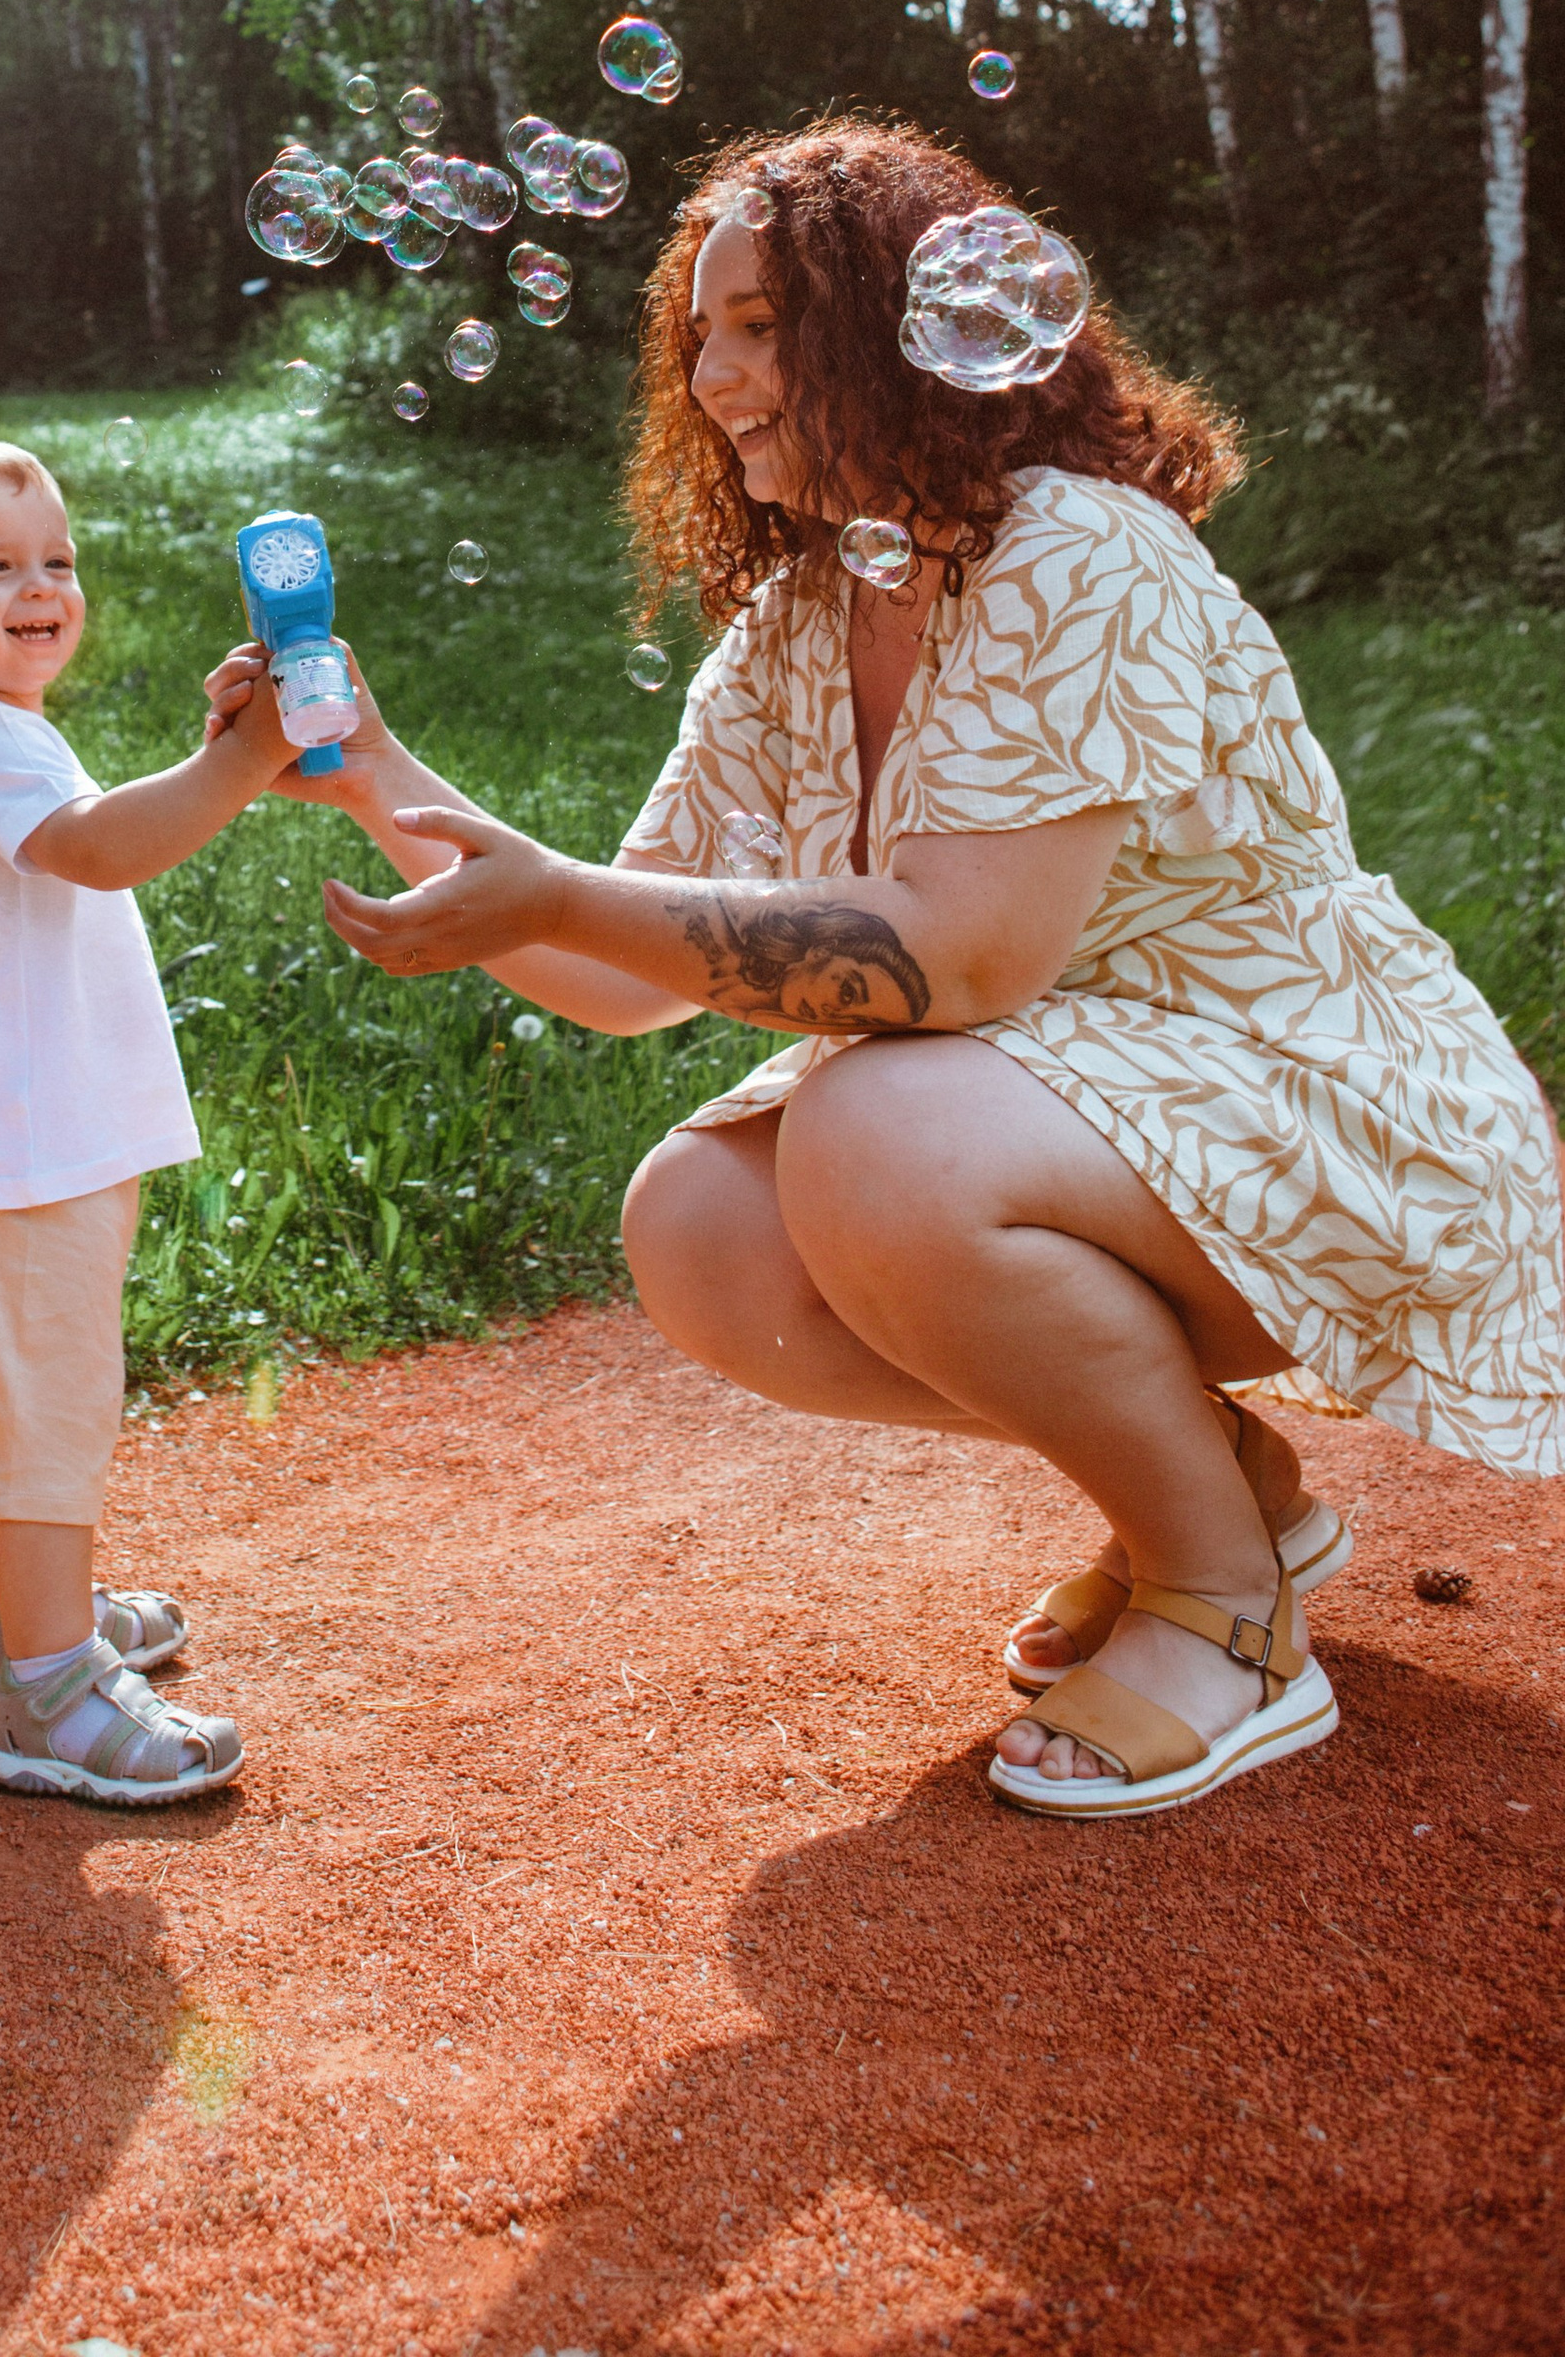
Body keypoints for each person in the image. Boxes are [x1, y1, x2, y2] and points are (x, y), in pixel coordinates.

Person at [212, 119, 1563, 1819]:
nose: (711, 372)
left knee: (874, 1136)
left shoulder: (1077, 553)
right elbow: (624, 962)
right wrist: (366, 766)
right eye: (697, 334)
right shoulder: (789, 629)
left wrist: (548, 892)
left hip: (1336, 1113)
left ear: (895, 322)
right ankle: (1218, 1493)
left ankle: (1230, 1620)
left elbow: (965, 958)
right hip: (1089, 1132)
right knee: (697, 1227)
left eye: (761, 323)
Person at [0, 435, 283, 1806]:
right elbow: (106, 847)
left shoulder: (0, 727)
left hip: (47, 1131)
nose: (42, 586)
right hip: (30, 1137)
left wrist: (220, 751)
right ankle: (46, 1695)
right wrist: (250, 760)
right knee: (45, 1398)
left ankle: (24, 1619)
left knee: (49, 1383)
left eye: (58, 560)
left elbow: (104, 823)